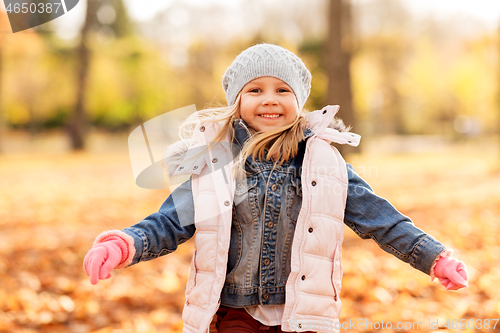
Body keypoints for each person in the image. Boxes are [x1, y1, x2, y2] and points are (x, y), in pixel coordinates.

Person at [83, 43, 468, 333]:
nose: (269, 99)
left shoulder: (324, 165)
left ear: (298, 102)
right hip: (234, 312)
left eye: (282, 90)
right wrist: (123, 245)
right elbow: (169, 222)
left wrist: (434, 257)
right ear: (237, 102)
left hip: (303, 313)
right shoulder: (216, 164)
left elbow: (382, 220)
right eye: (255, 90)